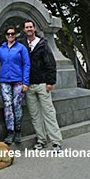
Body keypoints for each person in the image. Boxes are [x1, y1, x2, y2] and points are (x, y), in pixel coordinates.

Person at [0, 26, 31, 145]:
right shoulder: (2, 48)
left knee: (16, 105)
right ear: (5, 36)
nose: (10, 36)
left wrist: (25, 82)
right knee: (7, 105)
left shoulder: (21, 48)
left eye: (12, 34)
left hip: (18, 80)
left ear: (15, 35)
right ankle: (10, 131)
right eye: (8, 34)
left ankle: (18, 130)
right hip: (5, 80)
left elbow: (27, 65)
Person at [23, 19, 63, 152]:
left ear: (34, 29)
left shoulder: (42, 44)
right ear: (24, 30)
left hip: (42, 84)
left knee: (49, 113)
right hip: (29, 86)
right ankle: (42, 140)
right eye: (26, 27)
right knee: (35, 115)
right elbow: (6, 43)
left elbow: (50, 63)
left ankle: (56, 141)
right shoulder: (23, 45)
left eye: (30, 27)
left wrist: (50, 82)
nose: (29, 29)